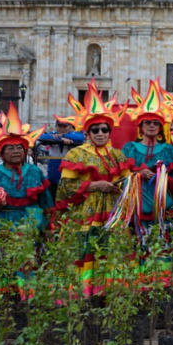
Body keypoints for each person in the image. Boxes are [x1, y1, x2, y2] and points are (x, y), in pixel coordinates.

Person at [54, 82, 133, 296]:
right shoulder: (76, 154)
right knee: (84, 249)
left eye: (104, 130)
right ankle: (83, 293)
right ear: (87, 133)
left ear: (110, 132)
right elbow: (66, 186)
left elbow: (127, 183)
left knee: (112, 249)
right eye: (95, 130)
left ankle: (109, 292)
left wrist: (125, 185)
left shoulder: (118, 155)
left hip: (112, 211)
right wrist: (95, 185)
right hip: (85, 211)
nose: (100, 133)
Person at [0, 104, 52, 298]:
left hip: (29, 224)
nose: (16, 151)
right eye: (10, 148)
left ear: (25, 151)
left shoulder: (34, 172)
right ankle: (3, 301)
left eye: (19, 148)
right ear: (1, 153)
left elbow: (46, 201)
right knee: (1, 263)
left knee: (28, 262)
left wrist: (48, 225)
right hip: (1, 225)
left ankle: (28, 300)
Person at [122, 80, 173, 238]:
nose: (151, 126)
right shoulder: (130, 148)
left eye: (156, 123)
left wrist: (160, 177)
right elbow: (120, 175)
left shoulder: (169, 150)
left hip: (162, 203)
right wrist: (138, 174)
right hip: (137, 202)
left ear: (160, 127)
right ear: (141, 127)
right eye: (147, 123)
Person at [37, 120, 85, 200]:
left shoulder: (74, 135)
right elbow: (42, 138)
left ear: (70, 127)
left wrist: (62, 137)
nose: (62, 129)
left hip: (70, 179)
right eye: (60, 126)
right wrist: (61, 139)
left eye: (64, 126)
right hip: (53, 178)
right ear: (56, 127)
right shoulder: (53, 134)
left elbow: (80, 138)